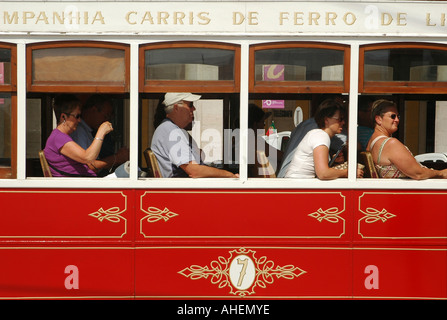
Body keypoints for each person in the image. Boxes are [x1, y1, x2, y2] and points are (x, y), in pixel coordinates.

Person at [150, 92, 239, 178]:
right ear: (176, 108)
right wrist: (229, 175)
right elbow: (194, 171)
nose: (194, 109)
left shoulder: (172, 129)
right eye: (190, 105)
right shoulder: (170, 131)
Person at [366, 99, 447, 179]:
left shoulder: (371, 143)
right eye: (393, 116)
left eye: (398, 116)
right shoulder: (391, 144)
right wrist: (441, 173)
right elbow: (418, 173)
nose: (397, 120)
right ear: (378, 119)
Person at [285, 98, 363, 179]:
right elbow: (323, 173)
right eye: (340, 119)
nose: (343, 122)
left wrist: (334, 163)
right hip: (299, 185)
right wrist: (348, 172)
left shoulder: (317, 134)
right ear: (326, 120)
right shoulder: (321, 136)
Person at [43, 94, 114, 177]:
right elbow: (87, 158)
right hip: (78, 186)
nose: (79, 120)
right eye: (77, 116)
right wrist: (101, 132)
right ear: (63, 117)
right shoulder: (58, 137)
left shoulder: (61, 137)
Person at [70, 94, 129, 176]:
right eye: (106, 116)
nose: (107, 120)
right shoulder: (79, 132)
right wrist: (117, 158)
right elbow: (88, 166)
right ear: (94, 110)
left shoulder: (87, 131)